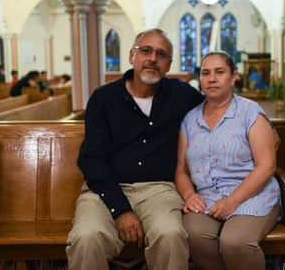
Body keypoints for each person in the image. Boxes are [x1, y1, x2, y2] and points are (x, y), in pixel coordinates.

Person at [65, 28, 205, 270]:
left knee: (170, 235)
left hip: (159, 190)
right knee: (86, 238)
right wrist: (121, 211)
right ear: (132, 56)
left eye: (161, 54)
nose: (152, 58)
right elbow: (92, 161)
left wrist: (257, 125)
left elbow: (219, 106)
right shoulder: (104, 98)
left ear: (168, 64)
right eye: (145, 51)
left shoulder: (182, 96)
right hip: (106, 190)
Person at [175, 50, 281, 270]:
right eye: (206, 73)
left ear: (234, 77)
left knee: (235, 241)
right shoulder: (190, 119)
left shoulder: (250, 113)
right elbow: (181, 170)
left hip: (252, 195)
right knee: (190, 234)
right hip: (209, 198)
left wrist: (232, 201)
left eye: (220, 72)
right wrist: (189, 194)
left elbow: (266, 165)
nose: (212, 78)